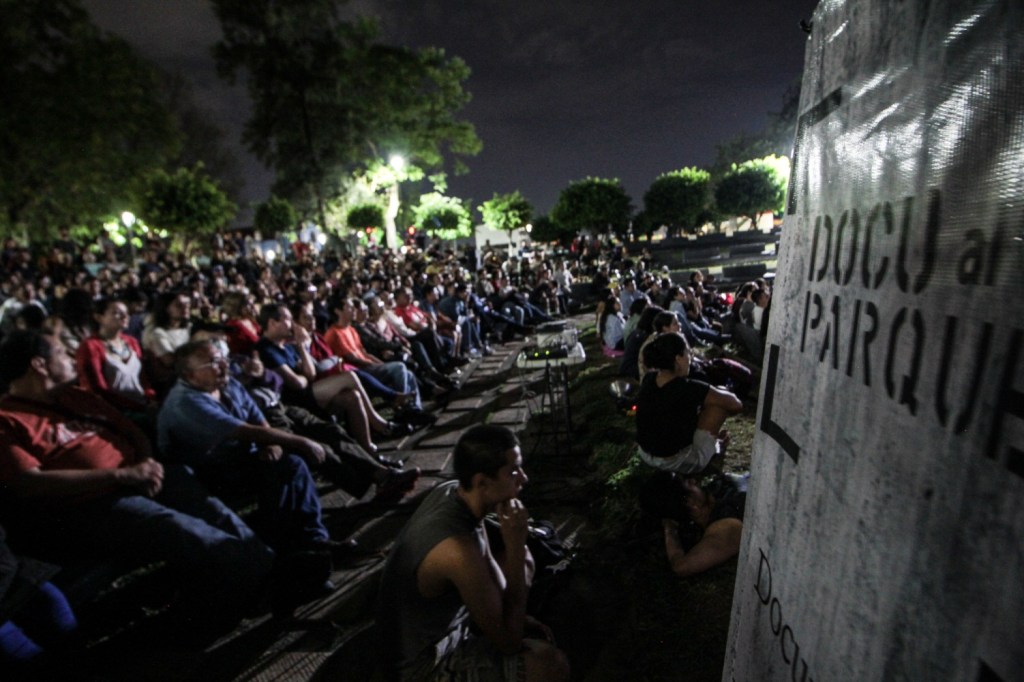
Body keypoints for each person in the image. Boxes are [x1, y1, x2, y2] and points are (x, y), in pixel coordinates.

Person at [0, 331, 274, 622]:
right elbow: (30, 482)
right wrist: (122, 475)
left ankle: (265, 565)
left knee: (211, 508)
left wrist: (146, 462)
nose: (71, 357)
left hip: (140, 476)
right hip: (92, 503)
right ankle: (261, 583)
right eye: (62, 353)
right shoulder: (8, 420)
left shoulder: (77, 397)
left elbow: (131, 431)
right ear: (39, 365)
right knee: (181, 529)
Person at [377, 424, 569, 682]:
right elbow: (509, 644)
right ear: (482, 482)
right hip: (424, 667)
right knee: (550, 665)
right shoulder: (457, 550)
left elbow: (489, 562)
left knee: (522, 563)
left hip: (444, 629)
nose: (523, 478)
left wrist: (517, 616)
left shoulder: (455, 491)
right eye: (513, 472)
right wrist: (515, 546)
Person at [157, 340, 366, 559]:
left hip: (239, 456)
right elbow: (244, 430)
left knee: (292, 464)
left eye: (222, 359)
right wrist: (300, 441)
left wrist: (271, 442)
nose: (223, 366)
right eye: (213, 362)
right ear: (190, 375)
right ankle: (285, 547)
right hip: (207, 472)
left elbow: (256, 417)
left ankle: (313, 537)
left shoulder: (224, 383)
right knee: (280, 469)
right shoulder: (186, 403)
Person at [635, 332, 742, 475]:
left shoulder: (649, 379)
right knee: (718, 405)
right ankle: (711, 451)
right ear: (678, 359)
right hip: (673, 461)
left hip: (645, 454)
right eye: (687, 353)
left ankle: (711, 446)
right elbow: (736, 404)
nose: (690, 358)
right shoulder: (687, 387)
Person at [653, 473, 746, 578]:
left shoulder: (718, 491)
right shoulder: (724, 528)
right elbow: (681, 567)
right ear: (689, 503)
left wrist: (669, 527)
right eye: (689, 483)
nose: (694, 480)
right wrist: (669, 528)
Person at [75, 297, 155, 413]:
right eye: (117, 313)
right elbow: (97, 388)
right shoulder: (90, 346)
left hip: (141, 404)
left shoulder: (131, 342)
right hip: (113, 410)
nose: (125, 317)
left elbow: (142, 377)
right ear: (99, 317)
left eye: (126, 313)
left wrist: (150, 397)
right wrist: (136, 407)